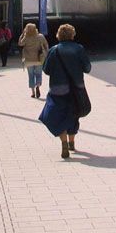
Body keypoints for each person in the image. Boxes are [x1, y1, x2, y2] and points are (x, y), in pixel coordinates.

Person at [38, 24, 92, 159]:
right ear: (72, 35)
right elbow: (87, 68)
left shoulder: (53, 50)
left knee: (58, 116)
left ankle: (63, 144)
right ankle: (72, 142)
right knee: (73, 114)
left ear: (59, 35)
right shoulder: (79, 49)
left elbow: (46, 70)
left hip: (58, 89)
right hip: (76, 88)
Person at [19, 23, 49, 98]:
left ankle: (33, 92)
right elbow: (46, 45)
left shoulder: (26, 37)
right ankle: (38, 86)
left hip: (29, 60)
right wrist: (46, 53)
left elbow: (20, 44)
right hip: (39, 59)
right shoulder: (40, 36)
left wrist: (22, 35)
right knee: (38, 74)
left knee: (31, 75)